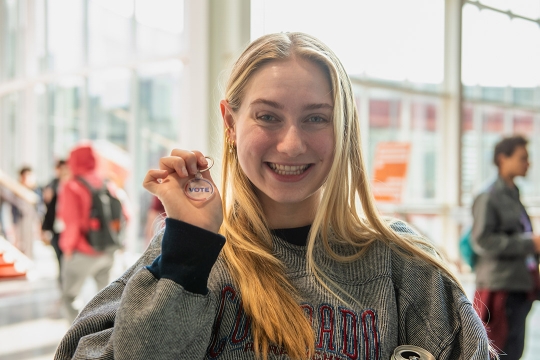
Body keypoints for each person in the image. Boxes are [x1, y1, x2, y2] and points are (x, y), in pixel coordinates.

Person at [54, 32, 489, 360]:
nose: (292, 145)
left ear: (344, 129)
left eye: (316, 118)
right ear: (230, 122)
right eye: (268, 117)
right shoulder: (190, 250)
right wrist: (188, 248)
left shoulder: (402, 263)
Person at [471, 135, 540, 360]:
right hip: (500, 286)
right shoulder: (489, 197)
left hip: (519, 283)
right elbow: (482, 241)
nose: (527, 163)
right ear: (503, 159)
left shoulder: (513, 193)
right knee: (499, 351)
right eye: (522, 158)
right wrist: (531, 243)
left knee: (514, 347)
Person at [56, 143, 120, 324]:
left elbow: (72, 222)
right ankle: (102, 340)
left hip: (83, 251)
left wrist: (68, 248)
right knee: (106, 300)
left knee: (70, 297)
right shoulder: (107, 183)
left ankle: (77, 341)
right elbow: (125, 215)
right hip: (108, 251)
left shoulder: (72, 186)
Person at [41, 159, 70, 284]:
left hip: (69, 229)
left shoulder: (73, 185)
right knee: (60, 259)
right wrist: (44, 228)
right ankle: (63, 286)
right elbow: (50, 209)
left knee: (68, 261)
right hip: (57, 229)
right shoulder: (53, 185)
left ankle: (66, 287)